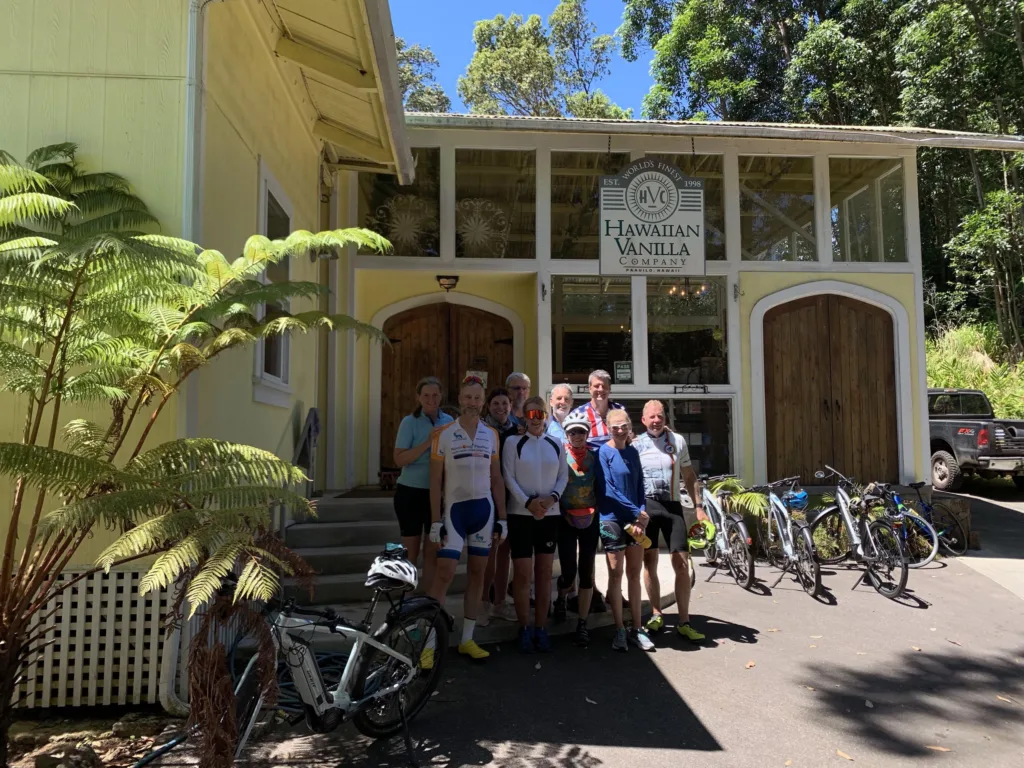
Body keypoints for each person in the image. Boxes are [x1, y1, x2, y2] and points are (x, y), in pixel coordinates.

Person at [427, 376, 508, 662]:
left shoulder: (492, 435)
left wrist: (503, 517)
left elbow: (496, 478)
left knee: (477, 574)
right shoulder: (443, 433)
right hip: (454, 513)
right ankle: (428, 645)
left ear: (482, 401)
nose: (473, 402)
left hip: (484, 513)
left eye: (477, 398)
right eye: (468, 397)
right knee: (445, 574)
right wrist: (436, 520)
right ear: (460, 399)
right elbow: (435, 482)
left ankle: (467, 640)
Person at [633, 400, 707, 643]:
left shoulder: (678, 441)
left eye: (660, 416)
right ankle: (656, 613)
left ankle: (684, 621)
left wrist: (698, 507)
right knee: (649, 561)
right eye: (651, 417)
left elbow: (689, 475)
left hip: (673, 507)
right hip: (647, 509)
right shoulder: (635, 444)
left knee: (682, 564)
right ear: (643, 420)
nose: (656, 420)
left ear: (665, 418)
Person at [503, 396, 568, 653]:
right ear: (524, 417)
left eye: (540, 413)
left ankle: (541, 627)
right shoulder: (512, 442)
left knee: (543, 574)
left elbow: (563, 476)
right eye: (531, 414)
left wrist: (552, 499)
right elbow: (508, 476)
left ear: (545, 415)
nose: (536, 418)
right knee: (522, 574)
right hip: (521, 515)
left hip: (549, 516)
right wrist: (528, 502)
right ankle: (525, 626)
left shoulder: (556, 443)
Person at [597, 409, 655, 652]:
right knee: (616, 574)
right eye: (614, 427)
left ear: (630, 427)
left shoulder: (632, 451)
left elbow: (640, 484)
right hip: (612, 520)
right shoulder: (604, 451)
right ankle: (619, 628)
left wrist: (641, 513)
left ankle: (637, 628)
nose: (619, 431)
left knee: (634, 572)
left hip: (635, 521)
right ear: (607, 427)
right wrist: (634, 512)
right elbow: (608, 489)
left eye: (623, 426)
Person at [391, 376, 454, 594]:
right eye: (426, 395)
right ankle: (405, 601)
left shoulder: (448, 421)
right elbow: (399, 460)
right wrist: (429, 441)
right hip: (411, 493)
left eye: (435, 395)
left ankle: (425, 604)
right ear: (418, 397)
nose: (431, 399)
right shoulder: (409, 422)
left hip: (437, 495)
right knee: (411, 552)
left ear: (441, 396)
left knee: (432, 551)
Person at [553, 414, 602, 647]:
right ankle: (561, 597)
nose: (577, 436)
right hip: (566, 520)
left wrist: (596, 513)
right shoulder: (560, 457)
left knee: (586, 570)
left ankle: (582, 623)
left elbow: (601, 488)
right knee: (569, 570)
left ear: (587, 434)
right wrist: (564, 514)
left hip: (590, 520)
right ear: (566, 434)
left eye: (581, 432)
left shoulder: (595, 458)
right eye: (572, 432)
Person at [478, 388, 521, 625]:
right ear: (488, 405)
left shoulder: (518, 428)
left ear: (510, 404)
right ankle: (483, 602)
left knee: (505, 551)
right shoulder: (483, 429)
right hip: (489, 494)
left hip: (512, 496)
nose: (501, 407)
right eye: (496, 403)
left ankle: (500, 603)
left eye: (504, 403)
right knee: (489, 552)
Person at [567, 369, 626, 448]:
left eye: (604, 386)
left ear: (609, 389)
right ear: (589, 389)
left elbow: (628, 437)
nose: (600, 389)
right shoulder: (578, 414)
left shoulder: (619, 410)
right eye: (596, 386)